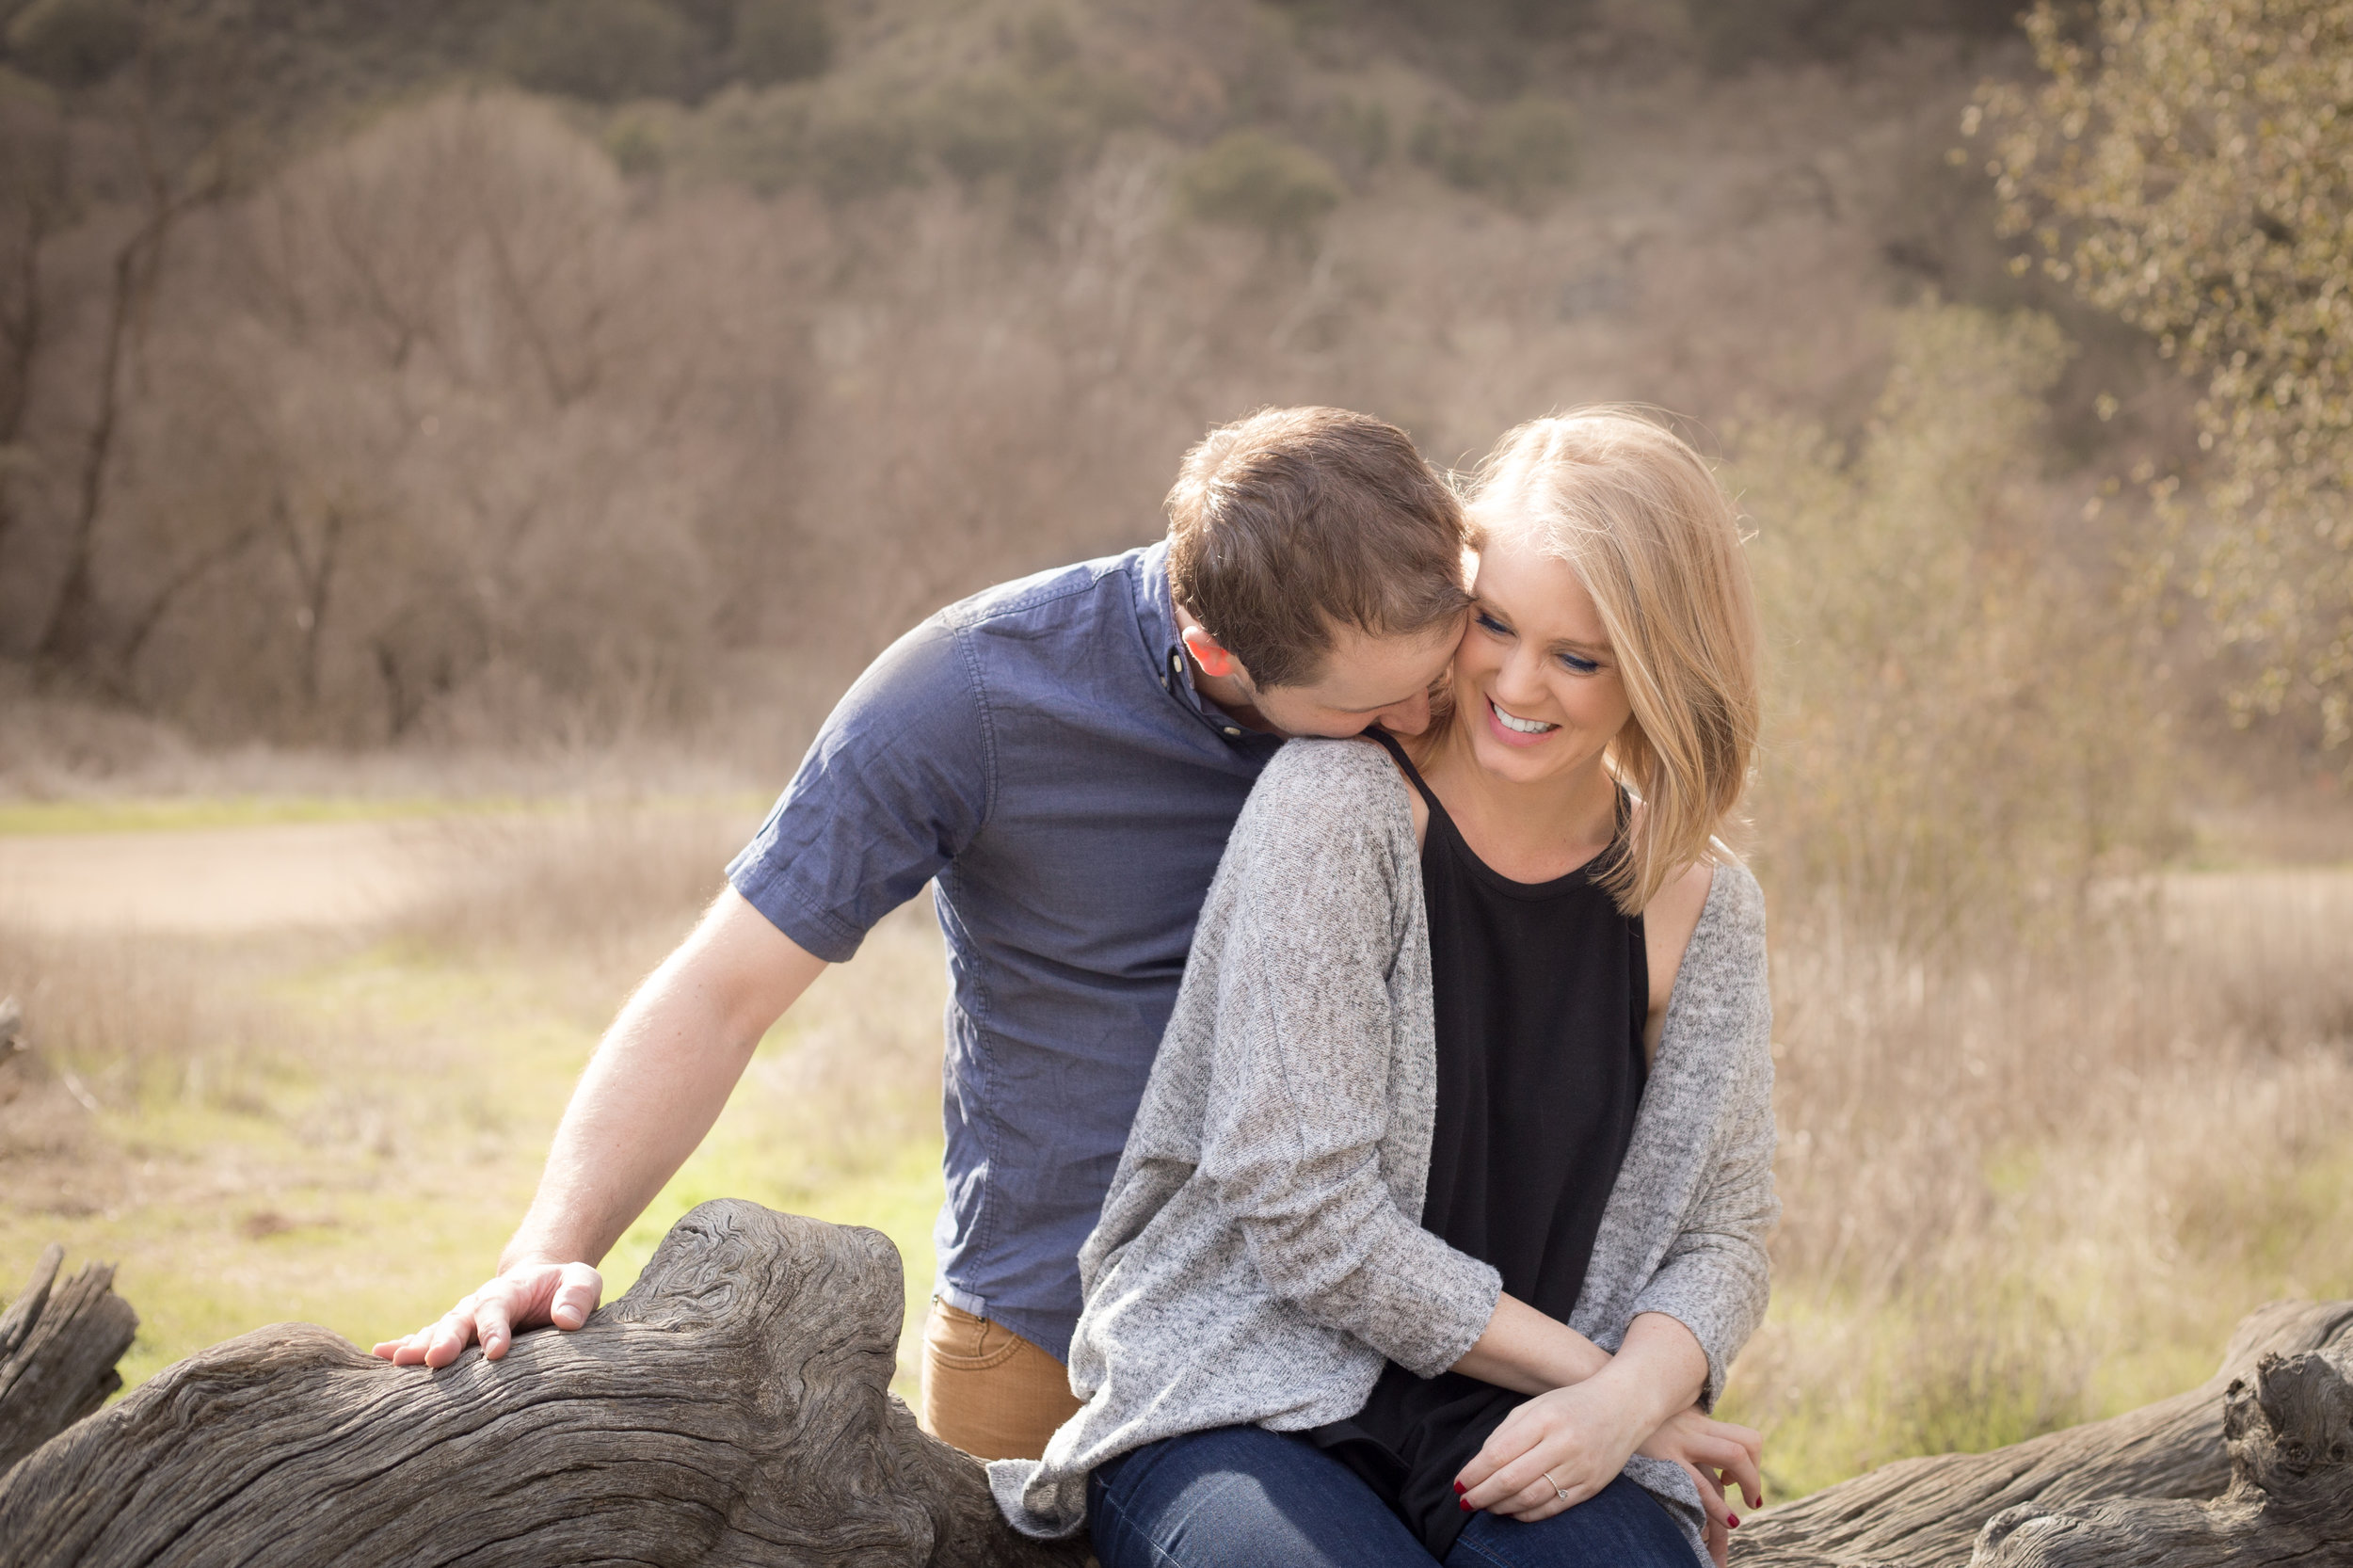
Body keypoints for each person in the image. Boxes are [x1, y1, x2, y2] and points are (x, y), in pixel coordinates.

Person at [370, 406, 1479, 1464]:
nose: (1427, 721)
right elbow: (722, 992)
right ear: (1218, 651)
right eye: (1372, 707)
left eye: (1437, 676)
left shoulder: (1472, 674)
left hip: (1367, 1336)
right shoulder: (972, 695)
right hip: (1053, 1335)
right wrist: (547, 1251)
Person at [991, 409, 1778, 1568]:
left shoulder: (1704, 906)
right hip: (1247, 1396)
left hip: (1531, 1427)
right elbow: (1308, 1220)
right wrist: (1619, 1390)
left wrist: (1615, 1418)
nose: (1518, 682)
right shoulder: (1336, 806)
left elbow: (1721, 1235)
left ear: (1659, 668)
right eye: (1493, 625)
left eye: (1578, 655)